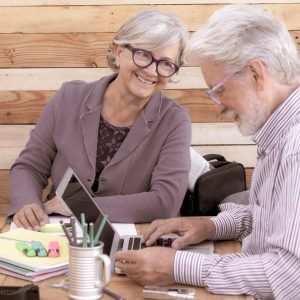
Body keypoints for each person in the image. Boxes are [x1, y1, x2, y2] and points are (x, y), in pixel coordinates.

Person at [115, 4, 300, 299]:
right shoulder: (278, 132)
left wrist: (179, 267)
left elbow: (290, 276)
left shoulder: (296, 148)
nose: (218, 105)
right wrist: (208, 226)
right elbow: (269, 219)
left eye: (219, 90)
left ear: (255, 74)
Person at [8, 10, 191, 230]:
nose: (152, 71)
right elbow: (29, 167)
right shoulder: (69, 97)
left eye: (166, 64)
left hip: (134, 247)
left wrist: (80, 206)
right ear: (118, 50)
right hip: (57, 236)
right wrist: (27, 204)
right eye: (143, 54)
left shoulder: (175, 120)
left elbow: (165, 202)